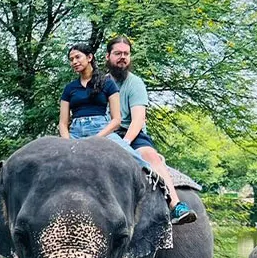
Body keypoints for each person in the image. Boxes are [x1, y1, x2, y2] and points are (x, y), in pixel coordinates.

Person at [105, 36, 196, 225]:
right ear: (107, 56)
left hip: (131, 135)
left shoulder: (135, 83)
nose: (122, 57)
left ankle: (176, 206)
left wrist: (125, 144)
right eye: (118, 54)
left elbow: (138, 119)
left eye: (126, 54)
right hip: (104, 135)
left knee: (151, 157)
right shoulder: (99, 83)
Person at [58, 43, 149, 170]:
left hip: (101, 130)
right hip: (75, 133)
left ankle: (157, 183)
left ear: (89, 58)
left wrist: (97, 138)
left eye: (78, 57)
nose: (74, 61)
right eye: (71, 59)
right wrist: (66, 142)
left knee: (135, 159)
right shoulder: (69, 88)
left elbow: (117, 120)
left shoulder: (108, 84)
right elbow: (63, 123)